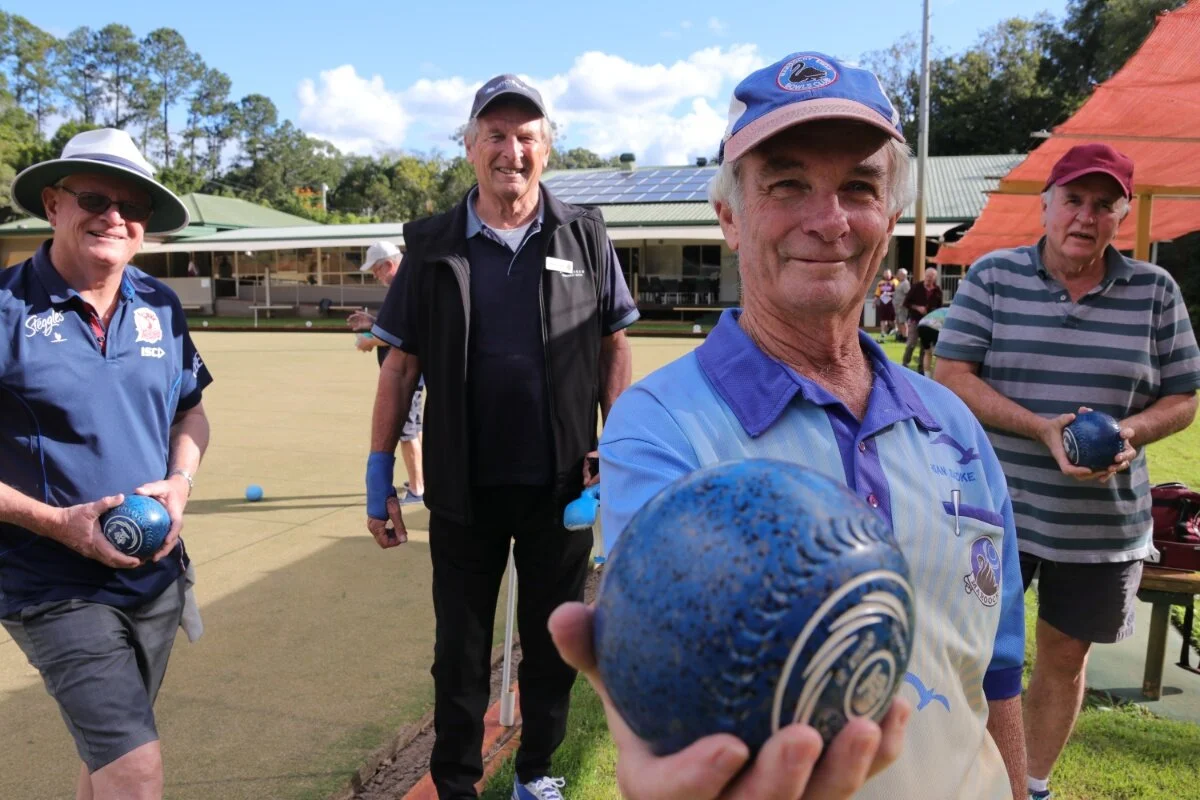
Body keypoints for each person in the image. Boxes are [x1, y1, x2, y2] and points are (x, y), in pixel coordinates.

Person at [553, 51, 1027, 800]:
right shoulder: (661, 425)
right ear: (729, 217)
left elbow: (994, 669)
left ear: (890, 218)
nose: (828, 220)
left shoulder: (954, 423)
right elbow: (664, 649)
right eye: (786, 185)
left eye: (859, 187)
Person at [363, 74, 638, 800]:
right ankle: (456, 784)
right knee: (457, 652)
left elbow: (612, 345)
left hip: (562, 485)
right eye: (495, 135)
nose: (510, 151)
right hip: (462, 488)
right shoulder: (430, 244)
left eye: (525, 136)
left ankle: (536, 773)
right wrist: (378, 472)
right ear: (469, 146)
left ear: (547, 148)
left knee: (553, 645)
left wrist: (616, 445)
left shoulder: (584, 233)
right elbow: (400, 365)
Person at [934, 142, 1200, 800]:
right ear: (1046, 205)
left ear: (1122, 215)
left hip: (1101, 525)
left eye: (1103, 204)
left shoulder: (1155, 292)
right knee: (969, 651)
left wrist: (1130, 433)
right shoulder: (994, 277)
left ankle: (1030, 785)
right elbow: (952, 374)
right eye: (1073, 199)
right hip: (997, 511)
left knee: (1064, 656)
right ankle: (963, 779)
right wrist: (1040, 427)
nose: (1086, 216)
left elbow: (1184, 397)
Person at [0, 128, 212, 800]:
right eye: (95, 198)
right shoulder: (4, 309)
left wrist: (179, 483)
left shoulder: (160, 304)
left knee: (108, 758)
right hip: (50, 582)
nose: (115, 217)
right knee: (136, 767)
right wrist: (57, 523)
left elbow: (190, 414)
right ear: (54, 202)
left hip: (154, 575)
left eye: (133, 207)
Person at [348, 241, 424, 505]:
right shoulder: (407, 283)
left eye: (376, 271)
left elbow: (404, 333)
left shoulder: (404, 287)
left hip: (407, 375)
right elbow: (396, 326)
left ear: (389, 265)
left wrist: (369, 340)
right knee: (414, 429)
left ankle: (418, 489)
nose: (375, 276)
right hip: (412, 373)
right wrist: (372, 323)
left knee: (406, 431)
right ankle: (420, 479)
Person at [902, 266, 942, 369]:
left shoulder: (937, 291)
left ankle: (921, 367)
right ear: (925, 276)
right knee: (911, 343)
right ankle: (905, 364)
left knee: (925, 346)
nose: (929, 278)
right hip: (915, 319)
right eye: (927, 276)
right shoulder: (916, 287)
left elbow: (939, 307)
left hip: (928, 322)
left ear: (934, 278)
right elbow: (906, 303)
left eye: (931, 277)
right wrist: (917, 307)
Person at [873, 267, 897, 341]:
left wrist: (890, 293)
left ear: (891, 274)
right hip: (883, 303)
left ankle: (896, 329)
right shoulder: (880, 283)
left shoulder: (895, 282)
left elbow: (898, 292)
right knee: (883, 319)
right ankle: (883, 332)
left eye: (888, 274)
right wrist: (874, 302)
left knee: (892, 319)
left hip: (892, 303)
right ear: (883, 275)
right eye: (885, 274)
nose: (887, 275)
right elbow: (877, 294)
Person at [894, 267, 910, 340]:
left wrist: (903, 303)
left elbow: (907, 295)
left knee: (902, 321)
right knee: (898, 321)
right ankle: (900, 335)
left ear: (903, 275)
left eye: (898, 274)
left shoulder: (905, 283)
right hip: (897, 306)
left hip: (902, 307)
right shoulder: (900, 283)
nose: (897, 275)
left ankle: (905, 336)